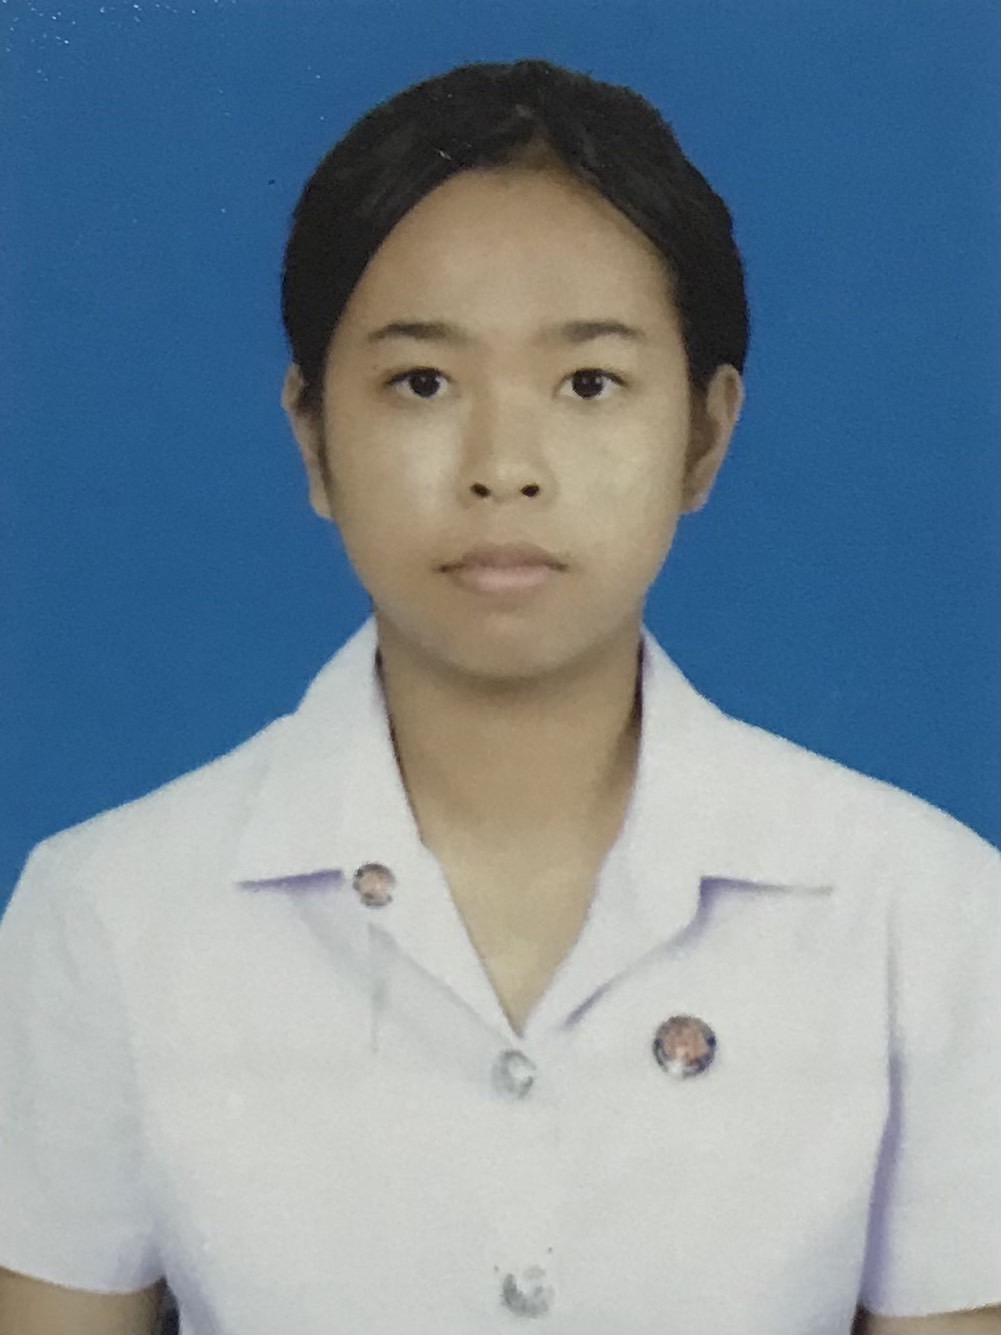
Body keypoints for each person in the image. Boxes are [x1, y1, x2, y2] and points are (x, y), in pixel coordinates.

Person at [0, 57, 998, 1335]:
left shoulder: (920, 915)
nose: (503, 468)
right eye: (422, 383)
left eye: (588, 384)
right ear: (312, 435)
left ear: (702, 435)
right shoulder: (108, 916)